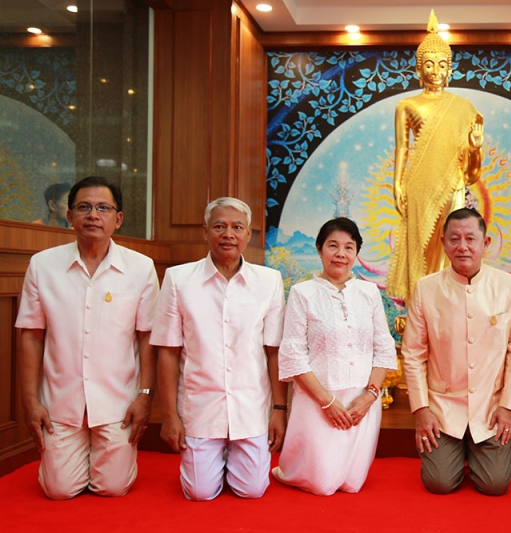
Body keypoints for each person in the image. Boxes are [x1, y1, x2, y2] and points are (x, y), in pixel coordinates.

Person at [16, 176, 159, 499]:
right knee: (59, 490)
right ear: (69, 216)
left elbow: (147, 338)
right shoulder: (43, 266)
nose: (93, 215)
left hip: (117, 403)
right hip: (60, 401)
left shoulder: (141, 268)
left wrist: (145, 396)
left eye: (103, 208)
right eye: (84, 207)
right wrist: (30, 401)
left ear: (117, 219)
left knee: (112, 487)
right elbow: (31, 336)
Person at [151, 197, 287, 501]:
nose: (228, 234)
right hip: (201, 407)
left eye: (237, 227)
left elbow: (274, 351)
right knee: (199, 492)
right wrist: (170, 415)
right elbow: (168, 351)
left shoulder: (269, 281)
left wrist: (279, 410)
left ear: (248, 234)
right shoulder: (178, 279)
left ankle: (231, 459)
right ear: (205, 232)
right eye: (219, 226)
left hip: (251, 405)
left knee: (251, 490)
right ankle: (216, 457)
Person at [402, 208, 511, 495]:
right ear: (443, 243)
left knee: (495, 485)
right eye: (454, 239)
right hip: (442, 407)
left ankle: (476, 449)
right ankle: (454, 450)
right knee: (439, 483)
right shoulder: (426, 289)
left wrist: (508, 407)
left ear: (485, 244)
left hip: (490, 406)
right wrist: (422, 410)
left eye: (470, 238)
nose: (463, 246)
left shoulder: (509, 288)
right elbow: (413, 353)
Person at [272, 218, 397, 495]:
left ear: (356, 254)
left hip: (361, 403)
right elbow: (293, 355)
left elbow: (383, 348)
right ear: (319, 250)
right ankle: (292, 467)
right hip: (319, 400)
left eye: (349, 247)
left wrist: (370, 396)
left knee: (351, 485)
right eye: (333, 245)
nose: (341, 253)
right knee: (322, 484)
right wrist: (327, 402)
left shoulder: (369, 293)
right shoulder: (302, 294)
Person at [386, 10, 484, 302]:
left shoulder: (463, 107)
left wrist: (475, 147)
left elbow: (471, 174)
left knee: (450, 242)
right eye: (428, 64)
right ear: (418, 69)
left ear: (450, 68)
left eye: (442, 65)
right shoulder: (407, 105)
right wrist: (397, 185)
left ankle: (449, 302)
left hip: (451, 186)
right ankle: (419, 306)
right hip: (418, 186)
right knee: (420, 246)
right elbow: (402, 149)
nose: (435, 71)